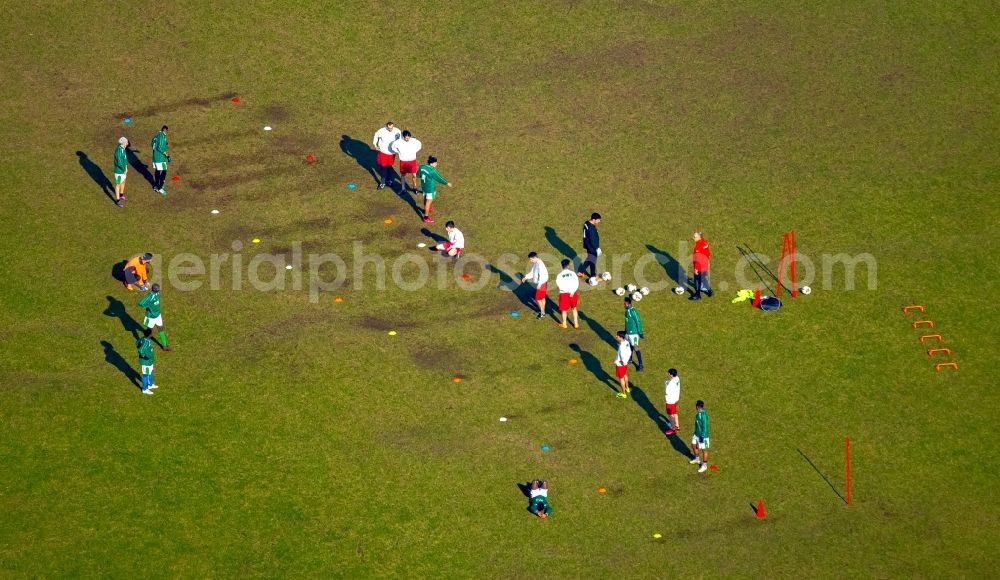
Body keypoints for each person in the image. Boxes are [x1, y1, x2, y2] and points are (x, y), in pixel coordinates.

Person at [417, 156, 452, 223]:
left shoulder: (422, 167)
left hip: (424, 186)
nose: (436, 164)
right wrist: (447, 183)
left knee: (425, 198)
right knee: (428, 202)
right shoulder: (432, 171)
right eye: (436, 163)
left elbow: (418, 175)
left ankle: (426, 209)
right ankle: (426, 217)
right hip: (430, 188)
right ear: (432, 163)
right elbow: (439, 178)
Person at [138, 283, 171, 351]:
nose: (159, 290)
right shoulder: (150, 296)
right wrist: (148, 307)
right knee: (149, 333)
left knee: (161, 329)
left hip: (158, 315)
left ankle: (164, 346)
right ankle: (143, 345)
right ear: (154, 289)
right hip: (151, 317)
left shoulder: (157, 294)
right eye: (158, 289)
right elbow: (141, 303)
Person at [372, 121, 401, 189]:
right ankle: (382, 182)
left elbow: (399, 141)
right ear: (386, 126)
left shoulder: (397, 131)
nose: (390, 129)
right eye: (389, 128)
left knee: (390, 167)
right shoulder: (381, 131)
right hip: (383, 153)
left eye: (392, 128)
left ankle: (389, 181)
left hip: (392, 153)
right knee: (384, 168)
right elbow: (376, 135)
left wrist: (398, 149)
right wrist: (375, 145)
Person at [521, 252, 548, 320]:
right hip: (542, 284)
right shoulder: (536, 263)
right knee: (542, 298)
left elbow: (543, 276)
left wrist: (539, 285)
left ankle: (542, 313)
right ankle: (543, 311)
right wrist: (526, 277)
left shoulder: (540, 265)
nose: (530, 261)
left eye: (531, 259)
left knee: (538, 299)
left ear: (535, 257)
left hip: (541, 284)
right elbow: (533, 273)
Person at [555, 259, 580, 329]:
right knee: (574, 308)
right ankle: (576, 323)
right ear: (568, 265)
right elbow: (576, 283)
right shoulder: (573, 273)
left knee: (564, 310)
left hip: (564, 294)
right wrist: (572, 292)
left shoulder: (559, 275)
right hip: (573, 293)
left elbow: (559, 285)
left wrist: (565, 290)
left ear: (562, 266)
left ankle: (564, 324)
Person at [691, 231, 713, 300]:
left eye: (695, 237)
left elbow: (698, 258)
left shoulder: (698, 247)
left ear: (700, 237)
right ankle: (709, 291)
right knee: (704, 279)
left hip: (699, 267)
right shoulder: (704, 243)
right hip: (705, 265)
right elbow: (708, 253)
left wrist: (696, 269)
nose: (693, 238)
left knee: (697, 280)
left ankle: (697, 295)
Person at [624, 296, 644, 372]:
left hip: (634, 334)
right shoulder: (626, 311)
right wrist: (625, 330)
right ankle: (630, 359)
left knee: (636, 348)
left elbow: (638, 321)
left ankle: (641, 365)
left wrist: (640, 332)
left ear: (628, 304)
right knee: (629, 346)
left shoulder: (633, 311)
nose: (624, 305)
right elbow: (627, 322)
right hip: (628, 333)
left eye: (625, 304)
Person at [579, 213, 601, 279]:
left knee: (590, 258)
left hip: (588, 245)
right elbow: (593, 239)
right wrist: (597, 248)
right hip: (592, 247)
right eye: (598, 220)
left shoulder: (587, 223)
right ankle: (593, 276)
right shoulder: (591, 228)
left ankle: (581, 271)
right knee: (592, 261)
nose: (599, 221)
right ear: (594, 219)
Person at [689, 400, 710, 473]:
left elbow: (705, 427)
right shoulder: (698, 414)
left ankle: (704, 465)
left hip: (702, 436)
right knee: (693, 445)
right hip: (696, 434)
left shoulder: (703, 415)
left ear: (697, 407)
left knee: (704, 450)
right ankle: (697, 459)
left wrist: (701, 439)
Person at [136, 328, 157, 395]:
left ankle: (150, 385)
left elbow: (137, 343)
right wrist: (144, 356)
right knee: (145, 375)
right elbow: (140, 350)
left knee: (150, 372)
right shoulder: (146, 342)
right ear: (150, 334)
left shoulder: (143, 339)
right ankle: (145, 389)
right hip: (146, 362)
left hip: (150, 361)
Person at [150, 125, 170, 196]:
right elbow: (160, 148)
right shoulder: (162, 136)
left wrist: (165, 143)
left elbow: (152, 144)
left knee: (158, 171)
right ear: (165, 131)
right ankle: (160, 187)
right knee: (164, 171)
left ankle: (156, 186)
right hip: (160, 158)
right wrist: (167, 155)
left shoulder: (156, 136)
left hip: (155, 157)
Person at [614, 330, 632, 400]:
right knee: (625, 375)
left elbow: (622, 356)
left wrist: (622, 362)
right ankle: (627, 388)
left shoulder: (621, 347)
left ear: (621, 337)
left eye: (617, 336)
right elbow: (630, 352)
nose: (616, 337)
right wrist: (625, 362)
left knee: (621, 378)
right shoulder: (627, 342)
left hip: (620, 364)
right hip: (625, 364)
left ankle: (623, 394)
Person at [113, 137, 129, 207]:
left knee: (123, 181)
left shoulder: (123, 149)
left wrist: (126, 167)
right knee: (118, 184)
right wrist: (124, 170)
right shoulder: (118, 151)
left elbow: (125, 159)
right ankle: (117, 200)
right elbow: (119, 163)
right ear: (123, 143)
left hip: (123, 170)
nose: (127, 144)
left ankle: (121, 195)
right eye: (127, 142)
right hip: (119, 171)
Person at [664, 368, 680, 435]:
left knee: (670, 415)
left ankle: (673, 429)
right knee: (674, 412)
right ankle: (677, 425)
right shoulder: (677, 378)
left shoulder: (670, 384)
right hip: (675, 399)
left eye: (669, 373)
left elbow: (666, 392)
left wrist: (666, 384)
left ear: (671, 375)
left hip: (670, 401)